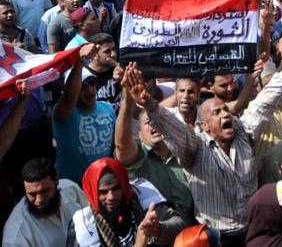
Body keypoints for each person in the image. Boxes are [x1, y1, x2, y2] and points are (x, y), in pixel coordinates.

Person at [124, 29, 282, 243]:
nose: (226, 114)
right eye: (217, 112)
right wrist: (150, 104)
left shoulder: (243, 132)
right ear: (205, 125)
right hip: (216, 237)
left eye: (226, 110)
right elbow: (174, 128)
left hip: (251, 231)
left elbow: (267, 98)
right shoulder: (195, 146)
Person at [114, 62, 195, 226]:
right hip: (155, 235)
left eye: (155, 121)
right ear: (139, 133)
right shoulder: (139, 158)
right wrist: (128, 100)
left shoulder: (183, 150)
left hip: (193, 231)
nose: (153, 125)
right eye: (147, 123)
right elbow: (122, 145)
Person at [66, 157, 186, 247]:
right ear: (92, 194)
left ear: (124, 185)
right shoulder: (83, 225)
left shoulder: (142, 193)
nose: (111, 197)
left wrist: (159, 229)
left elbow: (180, 227)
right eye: (103, 192)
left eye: (116, 188)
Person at [52, 43, 117, 184]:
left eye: (92, 84)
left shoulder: (107, 108)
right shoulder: (63, 114)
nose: (89, 90)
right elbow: (70, 95)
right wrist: (80, 61)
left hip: (102, 185)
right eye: (82, 87)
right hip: (73, 186)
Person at [2, 158, 88, 247]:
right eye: (32, 194)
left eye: (44, 191)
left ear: (57, 181)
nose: (39, 200)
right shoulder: (16, 235)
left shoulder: (70, 189)